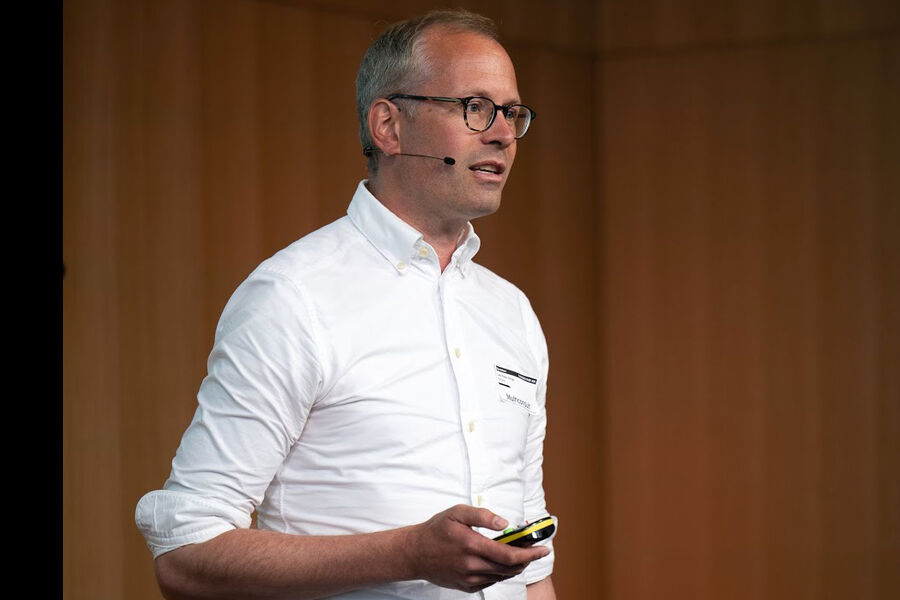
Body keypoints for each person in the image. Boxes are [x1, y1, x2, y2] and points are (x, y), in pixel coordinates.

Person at [135, 9, 556, 599]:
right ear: (389, 126)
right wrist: (407, 553)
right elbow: (186, 554)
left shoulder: (510, 312)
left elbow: (532, 561)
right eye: (475, 108)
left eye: (512, 113)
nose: (503, 134)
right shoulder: (293, 297)